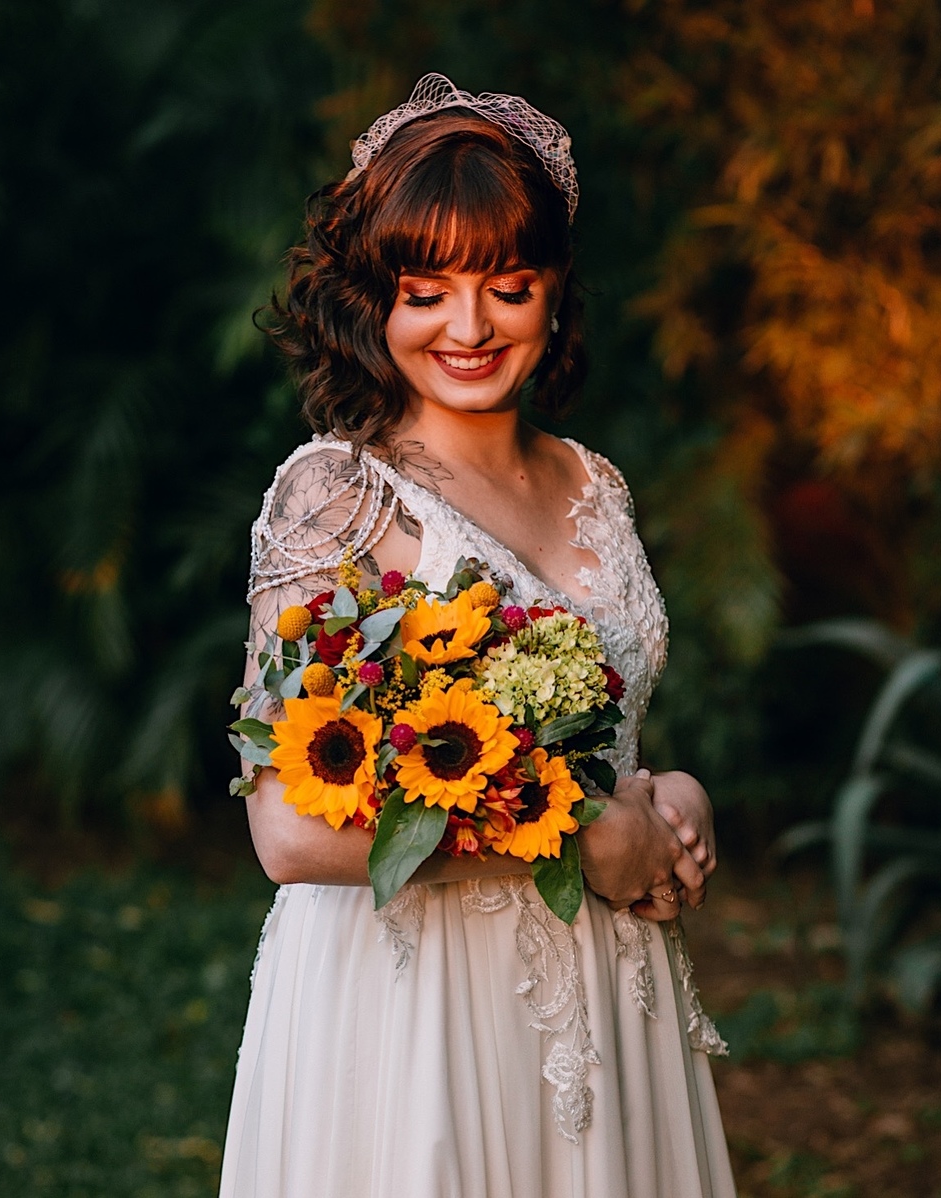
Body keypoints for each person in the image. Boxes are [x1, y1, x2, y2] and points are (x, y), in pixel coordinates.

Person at [221, 74, 735, 1198]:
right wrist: (576, 841)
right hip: (416, 1012)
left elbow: (600, 738)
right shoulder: (338, 498)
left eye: (507, 287)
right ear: (375, 300)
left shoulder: (595, 483)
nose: (468, 328)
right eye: (426, 292)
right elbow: (288, 831)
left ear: (553, 291)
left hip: (612, 987)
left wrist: (665, 797)